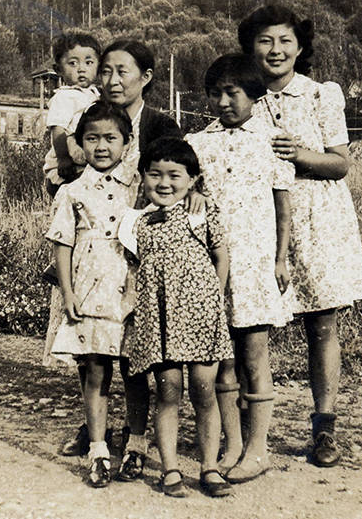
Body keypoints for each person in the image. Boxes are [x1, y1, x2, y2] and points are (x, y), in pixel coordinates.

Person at [237, 4, 362, 468]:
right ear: (251, 47)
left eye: (285, 41)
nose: (275, 50)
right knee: (252, 325)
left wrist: (301, 154)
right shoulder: (241, 94)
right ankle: (249, 433)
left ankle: (324, 428)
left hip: (317, 216)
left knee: (322, 325)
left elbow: (340, 162)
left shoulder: (321, 95)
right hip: (258, 218)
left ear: (300, 47)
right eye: (266, 41)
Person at [51, 38, 183, 481]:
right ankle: (97, 436)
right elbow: (61, 177)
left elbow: (180, 177)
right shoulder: (82, 125)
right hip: (87, 269)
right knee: (92, 358)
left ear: (145, 77)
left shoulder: (160, 126)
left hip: (131, 269)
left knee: (134, 363)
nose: (109, 80)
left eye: (120, 71)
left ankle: (136, 439)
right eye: (103, 70)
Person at [185, 54, 293, 482]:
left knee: (254, 355)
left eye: (234, 93)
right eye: (216, 94)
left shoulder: (271, 140)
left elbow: (283, 207)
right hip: (213, 265)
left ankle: (258, 448)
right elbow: (185, 192)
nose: (225, 102)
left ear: (254, 94)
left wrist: (281, 258)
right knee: (222, 359)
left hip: (255, 264)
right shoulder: (199, 142)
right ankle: (231, 444)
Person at [119, 137, 234, 498]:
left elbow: (221, 256)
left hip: (201, 317)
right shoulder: (136, 222)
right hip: (159, 321)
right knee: (168, 392)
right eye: (155, 175)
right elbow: (132, 271)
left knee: (204, 392)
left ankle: (210, 467)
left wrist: (215, 298)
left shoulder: (202, 211)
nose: (164, 183)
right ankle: (169, 469)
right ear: (142, 177)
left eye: (175, 175)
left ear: (193, 179)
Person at [45, 102, 138, 487]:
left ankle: (137, 444)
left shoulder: (140, 185)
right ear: (80, 144)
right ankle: (98, 450)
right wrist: (67, 293)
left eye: (110, 138)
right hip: (89, 290)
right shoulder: (71, 191)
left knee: (135, 370)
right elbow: (62, 244)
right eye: (92, 138)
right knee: (96, 370)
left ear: (127, 142)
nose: (101, 146)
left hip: (131, 290)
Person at [43, 32, 102, 197]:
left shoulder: (95, 95)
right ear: (59, 69)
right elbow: (58, 130)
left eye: (89, 62)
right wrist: (63, 159)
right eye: (73, 63)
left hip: (85, 163)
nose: (82, 69)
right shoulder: (64, 96)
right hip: (67, 168)